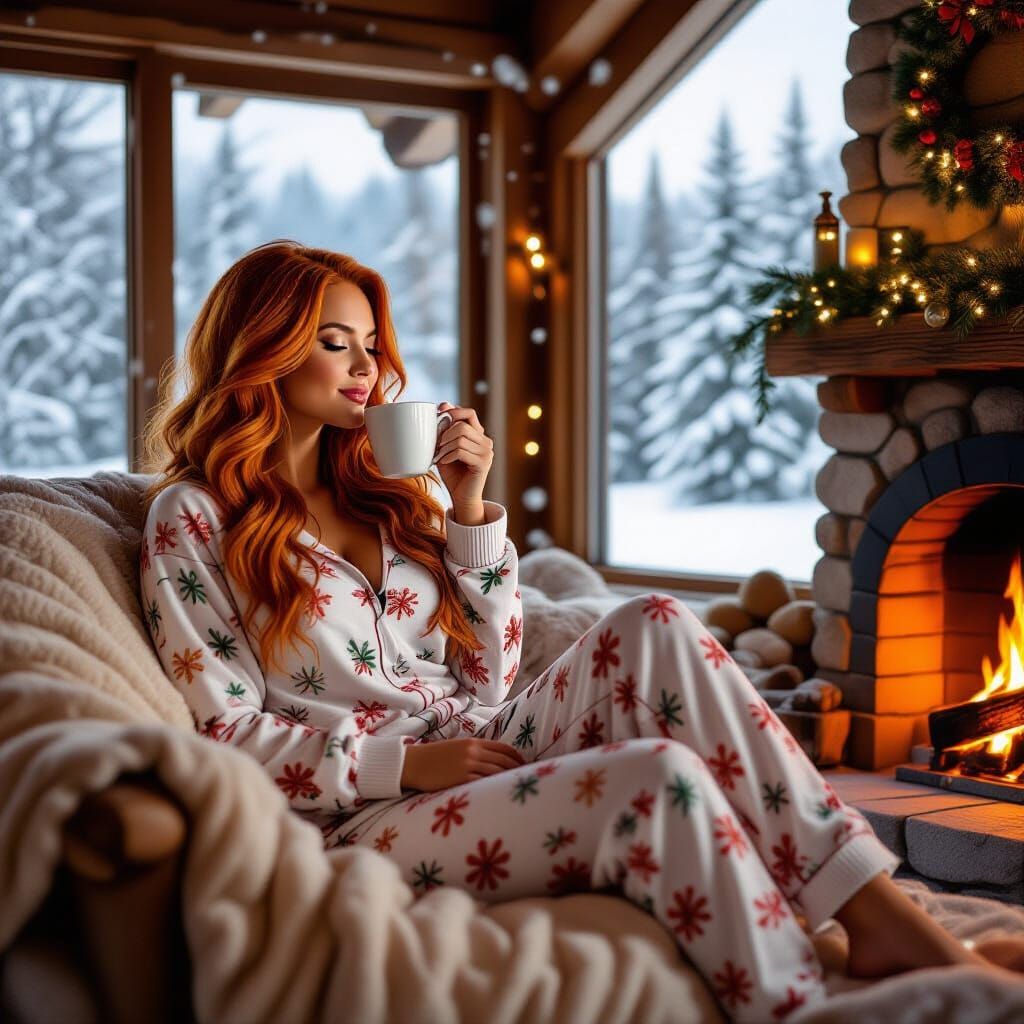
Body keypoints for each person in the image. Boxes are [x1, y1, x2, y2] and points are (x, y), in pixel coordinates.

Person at [139, 240, 1015, 1022]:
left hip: (476, 739)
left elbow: (488, 678)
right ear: (263, 347)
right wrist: (400, 764)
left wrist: (470, 510)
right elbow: (222, 731)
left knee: (657, 621)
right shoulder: (195, 518)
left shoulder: (388, 496)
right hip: (358, 814)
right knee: (655, 779)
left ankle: (876, 916)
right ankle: (796, 1003)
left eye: (371, 344)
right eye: (336, 343)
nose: (367, 366)